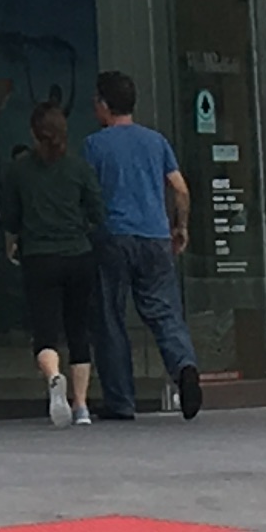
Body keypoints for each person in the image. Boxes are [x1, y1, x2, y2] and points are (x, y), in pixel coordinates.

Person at [84, 68, 202, 421]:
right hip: (156, 236)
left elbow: (88, 194)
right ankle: (184, 367)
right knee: (165, 311)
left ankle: (121, 401)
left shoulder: (94, 145)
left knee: (110, 318)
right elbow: (180, 188)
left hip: (114, 237)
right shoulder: (156, 141)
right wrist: (180, 227)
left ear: (104, 105)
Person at [0, 98, 105, 427]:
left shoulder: (19, 170)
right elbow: (98, 212)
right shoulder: (79, 168)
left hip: (39, 257)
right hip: (78, 255)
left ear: (33, 133)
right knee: (78, 331)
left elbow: (11, 218)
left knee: (45, 332)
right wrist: (80, 228)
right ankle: (82, 405)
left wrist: (20, 236)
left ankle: (54, 376)